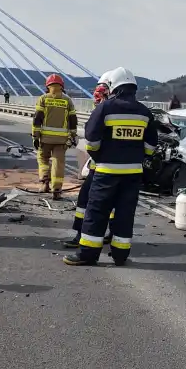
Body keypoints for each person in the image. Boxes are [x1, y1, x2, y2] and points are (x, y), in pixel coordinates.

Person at [63, 67, 158, 266]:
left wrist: (100, 156)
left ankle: (88, 254)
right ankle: (120, 255)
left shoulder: (105, 108)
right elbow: (150, 145)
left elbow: (91, 139)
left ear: (113, 86)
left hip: (106, 171)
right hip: (133, 174)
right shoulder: (144, 112)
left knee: (96, 212)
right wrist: (137, 158)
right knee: (125, 214)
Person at [63, 74, 115, 248]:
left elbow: (92, 140)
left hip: (101, 167)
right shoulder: (119, 110)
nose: (96, 98)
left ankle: (83, 237)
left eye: (98, 95)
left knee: (86, 201)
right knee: (111, 204)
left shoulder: (103, 111)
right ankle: (112, 234)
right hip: (112, 167)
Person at [32, 74, 78, 199]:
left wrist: (35, 136)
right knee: (59, 162)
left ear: (48, 86)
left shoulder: (43, 99)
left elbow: (37, 119)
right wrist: (73, 135)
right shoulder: (67, 100)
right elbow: (73, 120)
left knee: (43, 159)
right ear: (61, 86)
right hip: (61, 139)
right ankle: (56, 189)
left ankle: (44, 184)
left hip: (45, 139)